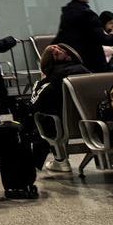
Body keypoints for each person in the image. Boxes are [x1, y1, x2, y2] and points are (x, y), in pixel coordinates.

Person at [30, 43, 90, 172]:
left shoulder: (52, 81)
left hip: (63, 127)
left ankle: (60, 160)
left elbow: (35, 104)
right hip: (91, 124)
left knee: (40, 117)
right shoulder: (86, 73)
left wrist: (41, 82)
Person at [57, 0, 113, 72]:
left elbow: (61, 36)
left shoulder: (66, 14)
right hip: (92, 61)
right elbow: (102, 39)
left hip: (76, 61)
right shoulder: (88, 15)